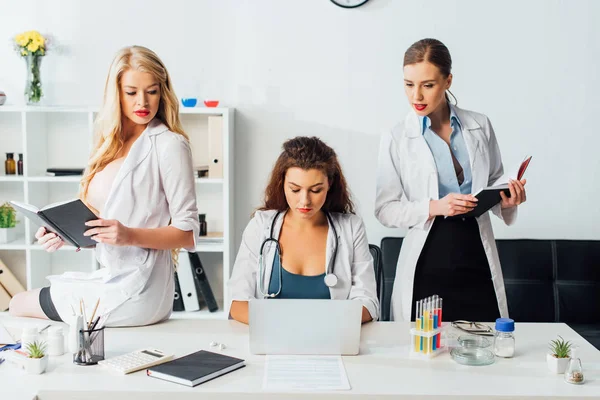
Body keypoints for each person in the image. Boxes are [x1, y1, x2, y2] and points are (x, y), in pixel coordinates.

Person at [9, 46, 199, 327]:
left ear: (163, 92)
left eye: (152, 91)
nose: (142, 102)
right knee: (20, 305)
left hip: (142, 291)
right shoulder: (108, 146)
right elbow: (103, 231)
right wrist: (65, 235)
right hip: (111, 279)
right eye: (131, 92)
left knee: (18, 303)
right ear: (117, 94)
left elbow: (187, 233)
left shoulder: (170, 145)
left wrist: (128, 235)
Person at [375, 38, 527, 322]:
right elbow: (385, 209)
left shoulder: (480, 125)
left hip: (476, 254)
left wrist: (508, 201)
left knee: (487, 347)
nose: (416, 96)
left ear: (448, 81)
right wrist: (434, 206)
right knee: (425, 352)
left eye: (427, 85)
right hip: (428, 259)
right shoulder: (396, 136)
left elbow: (493, 183)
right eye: (409, 84)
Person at [228, 136, 379, 324]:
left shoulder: (351, 228)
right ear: (282, 183)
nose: (304, 201)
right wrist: (292, 326)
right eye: (295, 189)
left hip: (331, 341)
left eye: (315, 190)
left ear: (329, 185)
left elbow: (368, 303)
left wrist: (312, 326)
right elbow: (238, 303)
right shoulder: (261, 226)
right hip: (274, 341)